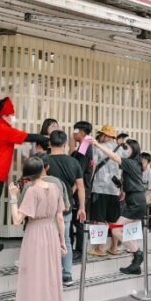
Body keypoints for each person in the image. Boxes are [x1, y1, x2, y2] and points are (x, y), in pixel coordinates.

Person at [0, 97, 48, 251]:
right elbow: (28, 137)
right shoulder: (3, 129)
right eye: (12, 115)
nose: (13, 118)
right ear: (6, 115)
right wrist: (46, 138)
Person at [8, 157, 66, 301]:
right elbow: (60, 217)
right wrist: (63, 241)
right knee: (51, 275)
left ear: (27, 175)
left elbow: (17, 220)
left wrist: (13, 197)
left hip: (35, 234)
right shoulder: (55, 187)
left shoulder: (32, 191)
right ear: (42, 170)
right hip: (52, 232)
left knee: (34, 275)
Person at [90, 138, 147, 275]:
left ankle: (138, 255)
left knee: (116, 230)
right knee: (124, 231)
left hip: (135, 202)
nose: (123, 150)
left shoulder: (129, 162)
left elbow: (114, 156)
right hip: (137, 200)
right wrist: (123, 190)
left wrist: (97, 145)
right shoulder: (136, 164)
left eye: (126, 148)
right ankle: (135, 264)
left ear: (133, 150)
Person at [47, 130, 86, 286]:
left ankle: (50, 273)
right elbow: (80, 186)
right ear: (64, 144)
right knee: (67, 240)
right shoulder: (74, 162)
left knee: (48, 239)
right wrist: (82, 207)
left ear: (49, 143)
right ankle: (67, 274)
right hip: (66, 207)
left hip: (47, 208)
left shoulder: (44, 160)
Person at [87, 125, 122, 257]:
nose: (100, 137)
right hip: (115, 189)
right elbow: (123, 169)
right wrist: (122, 189)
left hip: (100, 188)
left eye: (101, 134)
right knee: (114, 220)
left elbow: (93, 166)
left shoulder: (98, 148)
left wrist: (88, 184)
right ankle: (114, 248)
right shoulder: (120, 150)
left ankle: (100, 249)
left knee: (99, 219)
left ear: (105, 135)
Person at [70, 121, 93, 261]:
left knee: (79, 220)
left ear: (82, 133)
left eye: (75, 130)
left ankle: (79, 251)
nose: (73, 133)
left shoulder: (85, 145)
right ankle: (78, 249)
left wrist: (71, 190)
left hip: (80, 189)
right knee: (76, 219)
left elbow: (80, 171)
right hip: (81, 188)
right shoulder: (85, 145)